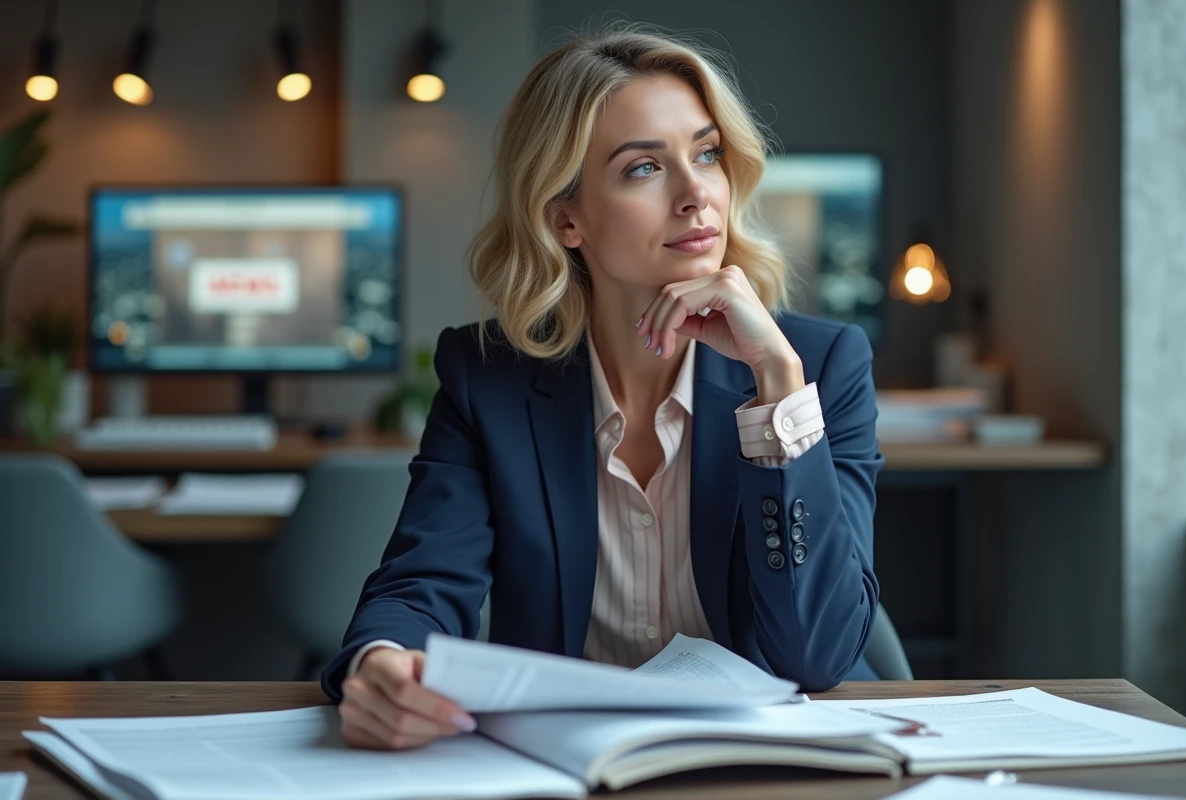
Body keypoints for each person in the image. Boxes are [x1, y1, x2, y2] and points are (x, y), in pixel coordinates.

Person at [323, 24, 883, 752]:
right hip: (560, 767)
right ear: (566, 218)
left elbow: (819, 655)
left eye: (707, 154)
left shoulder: (818, 364)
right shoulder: (487, 376)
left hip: (768, 766)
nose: (696, 195)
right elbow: (420, 585)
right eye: (644, 168)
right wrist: (383, 667)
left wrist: (776, 391)